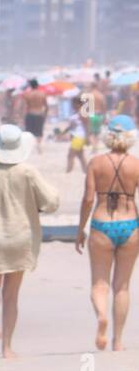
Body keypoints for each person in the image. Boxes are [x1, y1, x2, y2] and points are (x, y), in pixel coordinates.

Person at [0, 124, 61, 359]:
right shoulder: (27, 171)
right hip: (21, 237)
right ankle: (8, 347)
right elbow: (51, 202)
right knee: (11, 296)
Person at [75, 115, 138, 351]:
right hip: (130, 223)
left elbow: (88, 198)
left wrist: (80, 228)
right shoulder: (136, 164)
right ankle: (118, 341)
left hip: (102, 224)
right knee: (122, 286)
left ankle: (102, 316)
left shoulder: (95, 163)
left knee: (100, 284)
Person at [21, 80, 47, 151]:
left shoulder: (27, 94)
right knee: (39, 131)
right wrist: (45, 115)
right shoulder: (42, 94)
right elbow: (46, 106)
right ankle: (38, 145)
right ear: (37, 85)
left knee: (29, 131)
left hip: (30, 114)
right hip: (39, 114)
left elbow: (24, 106)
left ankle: (29, 146)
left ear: (30, 86)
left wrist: (22, 116)